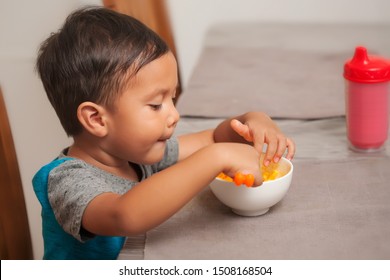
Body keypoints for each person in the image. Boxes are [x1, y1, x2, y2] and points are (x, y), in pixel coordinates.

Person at [33, 6, 295, 260]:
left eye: (172, 98)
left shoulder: (137, 151)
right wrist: (217, 157)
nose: (174, 115)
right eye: (156, 105)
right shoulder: (68, 181)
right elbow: (125, 215)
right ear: (96, 119)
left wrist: (251, 121)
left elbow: (214, 139)